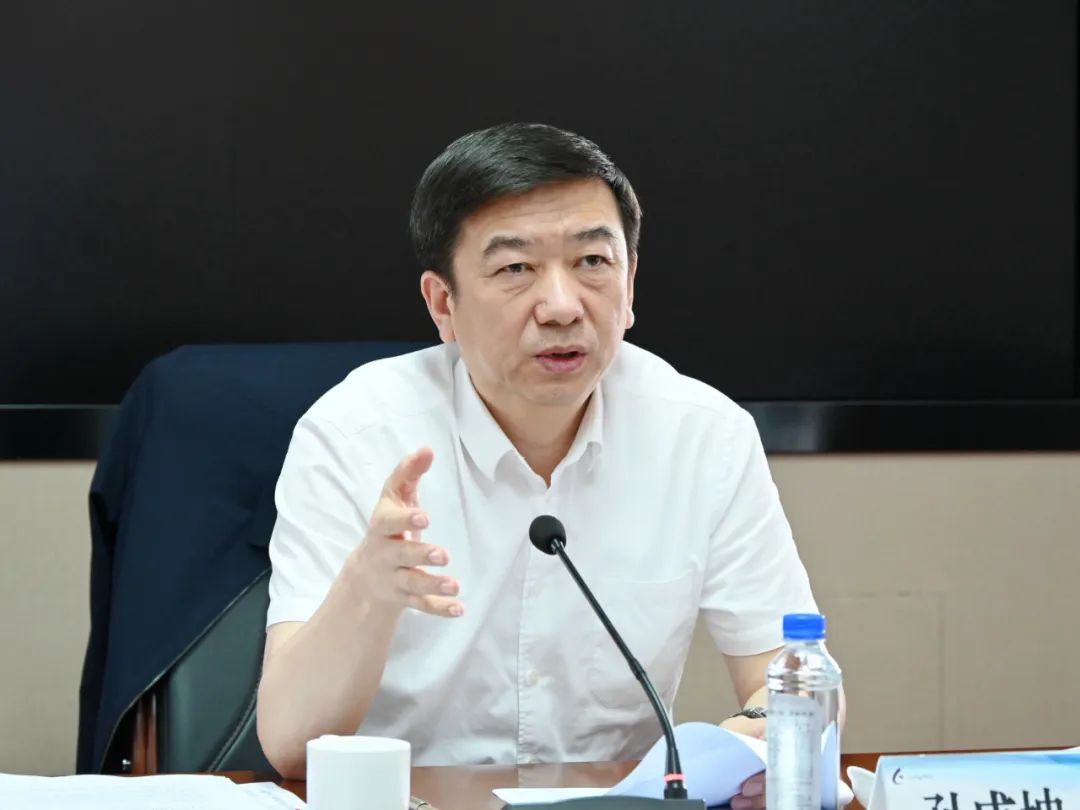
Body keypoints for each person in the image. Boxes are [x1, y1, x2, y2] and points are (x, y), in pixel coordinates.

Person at [256, 122, 840, 809]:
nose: (562, 307)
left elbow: (794, 673)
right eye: (515, 269)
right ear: (443, 304)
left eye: (593, 261)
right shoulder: (353, 435)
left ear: (629, 283)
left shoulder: (704, 436)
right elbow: (290, 746)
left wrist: (764, 737)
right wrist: (369, 585)